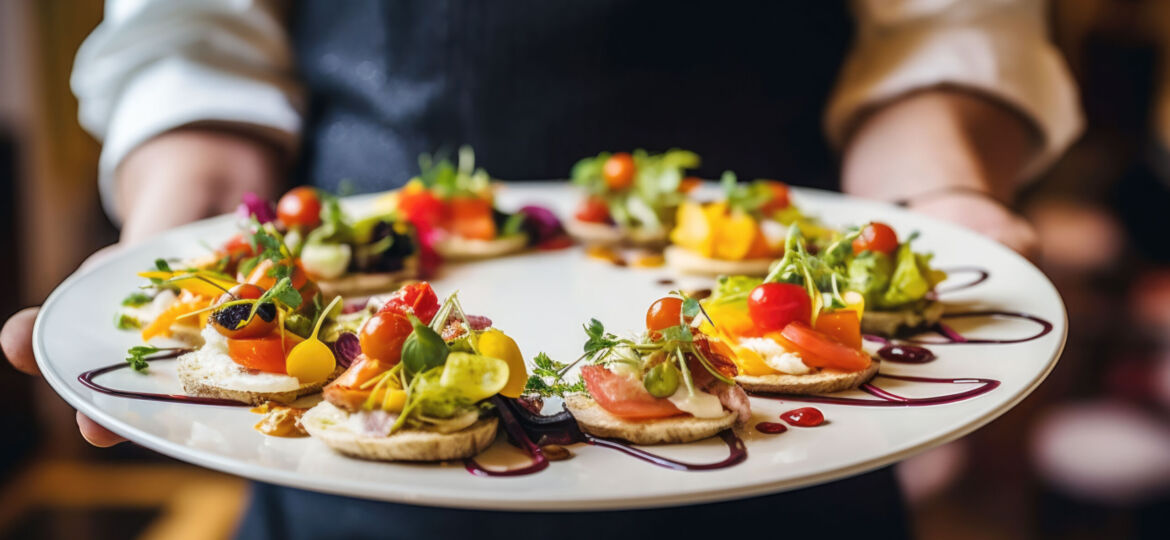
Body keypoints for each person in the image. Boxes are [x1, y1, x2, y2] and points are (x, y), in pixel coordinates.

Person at [2, 0, 1082, 538]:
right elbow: (196, 49)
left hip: (789, 483)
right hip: (351, 487)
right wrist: (179, 268)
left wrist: (941, 204)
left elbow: (941, 33)